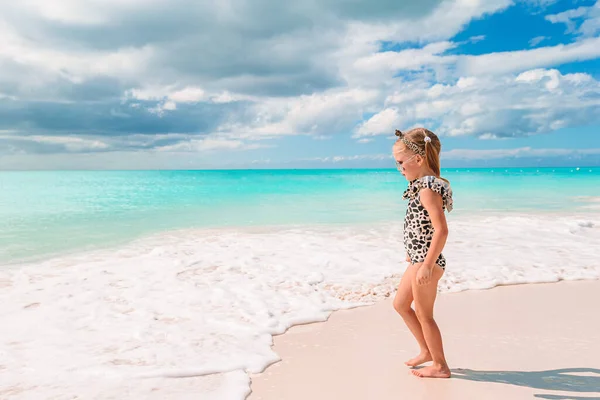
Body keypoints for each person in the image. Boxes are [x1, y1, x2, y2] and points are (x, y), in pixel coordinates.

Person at [391, 127, 453, 379]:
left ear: (418, 159)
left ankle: (440, 366)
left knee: (424, 315)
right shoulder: (421, 186)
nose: (399, 168)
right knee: (401, 305)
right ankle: (426, 351)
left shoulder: (428, 189)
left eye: (399, 162)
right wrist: (414, 252)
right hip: (418, 259)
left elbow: (441, 230)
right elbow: (422, 227)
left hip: (426, 263)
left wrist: (427, 265)